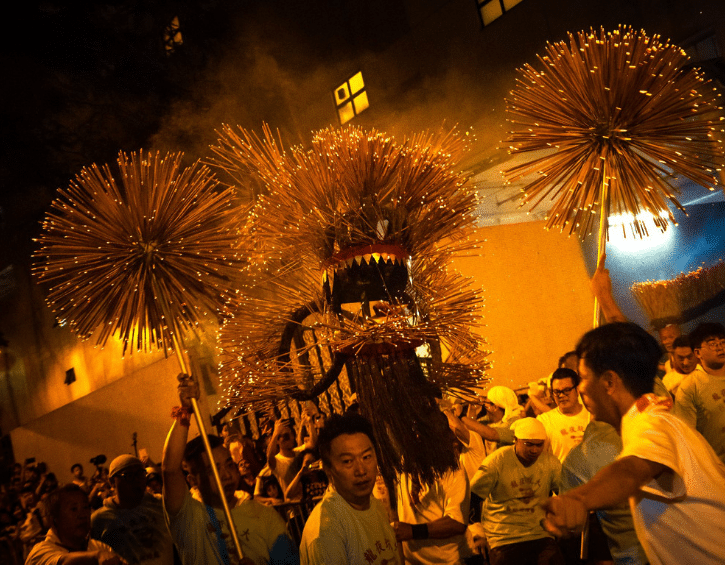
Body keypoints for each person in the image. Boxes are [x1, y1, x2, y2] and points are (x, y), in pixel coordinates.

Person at [542, 322, 725, 565]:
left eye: (584, 378)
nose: (581, 388)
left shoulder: (651, 423)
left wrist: (579, 499)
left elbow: (631, 470)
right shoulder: (649, 413)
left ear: (608, 382)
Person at [162, 373, 298, 565]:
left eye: (228, 465)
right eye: (213, 470)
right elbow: (170, 470)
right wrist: (184, 411)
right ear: (192, 480)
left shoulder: (264, 516)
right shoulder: (188, 515)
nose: (226, 475)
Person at [299, 412, 400, 565]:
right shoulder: (326, 530)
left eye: (366, 457)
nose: (361, 470)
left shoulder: (375, 506)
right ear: (328, 469)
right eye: (347, 461)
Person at [470, 418, 563, 565]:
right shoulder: (497, 461)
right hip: (502, 537)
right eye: (529, 444)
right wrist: (477, 533)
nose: (534, 450)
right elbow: (472, 498)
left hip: (539, 534)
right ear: (515, 440)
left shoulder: (550, 462)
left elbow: (565, 493)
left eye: (539, 445)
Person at [560, 420, 648, 565]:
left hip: (608, 532)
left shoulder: (576, 456)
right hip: (644, 531)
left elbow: (569, 502)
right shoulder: (634, 448)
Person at [394, 414, 470, 565]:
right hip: (412, 561)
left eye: (421, 436)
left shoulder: (453, 470)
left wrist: (412, 531)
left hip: (445, 561)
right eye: (413, 434)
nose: (415, 439)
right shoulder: (405, 463)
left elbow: (456, 523)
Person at [91, 455, 174, 565]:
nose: (136, 480)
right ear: (112, 481)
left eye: (140, 474)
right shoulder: (100, 519)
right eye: (129, 475)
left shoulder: (160, 504)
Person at [25, 484, 127, 565]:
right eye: (74, 509)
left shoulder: (98, 546)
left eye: (85, 507)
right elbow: (63, 561)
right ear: (54, 520)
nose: (83, 515)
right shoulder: (40, 552)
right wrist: (96, 557)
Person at [673, 322, 725, 462]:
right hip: (719, 466)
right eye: (712, 344)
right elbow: (687, 437)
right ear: (697, 353)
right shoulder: (689, 388)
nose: (720, 347)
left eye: (722, 342)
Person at [536, 368, 591, 463]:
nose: (561, 395)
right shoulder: (544, 421)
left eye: (566, 390)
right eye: (557, 392)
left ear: (577, 390)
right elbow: (541, 461)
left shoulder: (593, 414)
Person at [459, 386, 523, 456]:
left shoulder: (516, 423)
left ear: (494, 407)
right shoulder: (489, 420)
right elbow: (472, 429)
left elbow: (492, 434)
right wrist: (472, 410)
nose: (484, 405)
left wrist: (460, 416)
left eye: (486, 403)